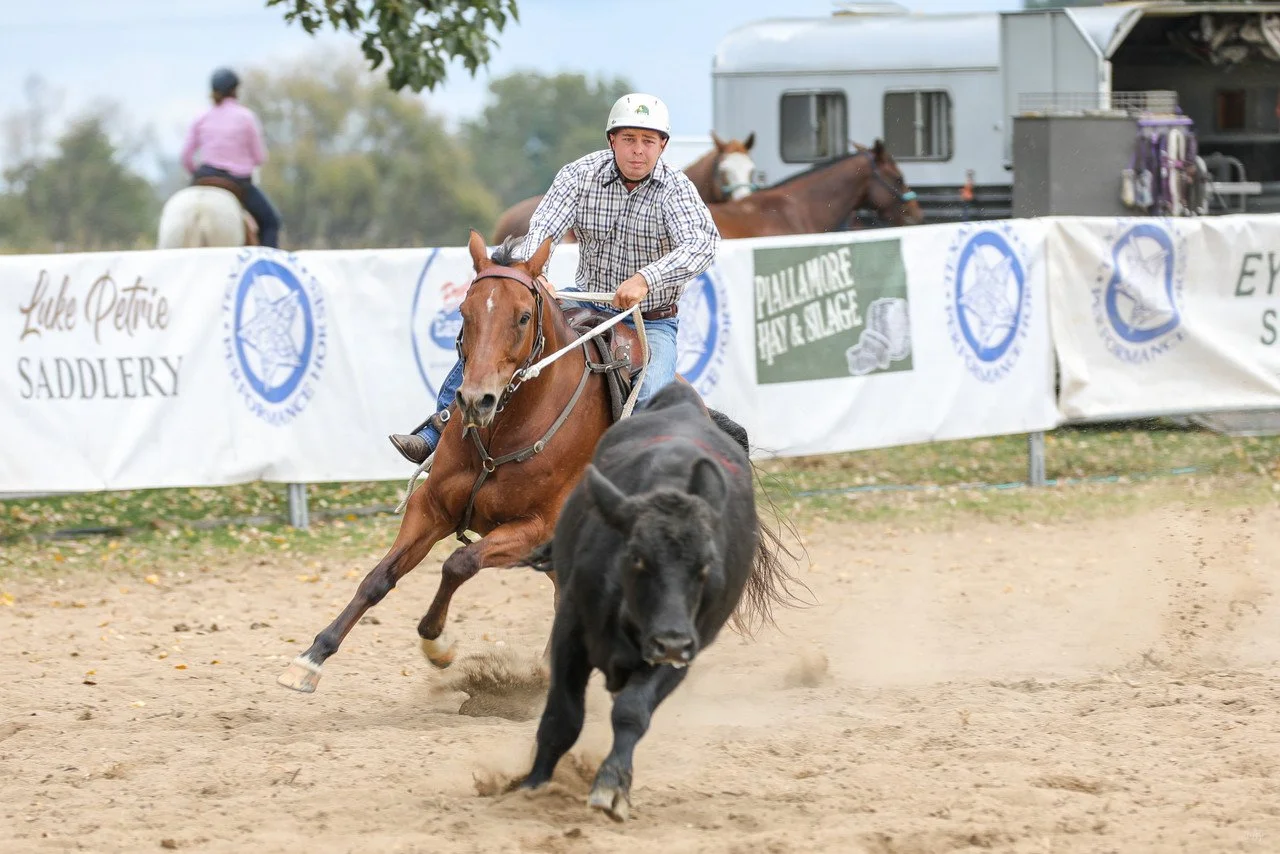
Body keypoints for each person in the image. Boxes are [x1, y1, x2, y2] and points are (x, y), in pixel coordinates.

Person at [388, 92, 720, 465]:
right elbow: (543, 228)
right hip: (585, 301)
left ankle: (629, 484)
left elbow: (702, 243)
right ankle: (437, 431)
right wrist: (535, 272)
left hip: (651, 321)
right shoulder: (580, 175)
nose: (638, 151)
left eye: (648, 141)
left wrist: (646, 279)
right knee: (496, 334)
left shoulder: (676, 190)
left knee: (650, 399)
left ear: (663, 145)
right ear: (612, 140)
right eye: (628, 139)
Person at [180, 67, 281, 248]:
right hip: (236, 183)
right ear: (235, 90)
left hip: (204, 177)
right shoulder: (246, 117)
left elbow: (186, 157)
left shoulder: (201, 117)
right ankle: (266, 271)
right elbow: (259, 157)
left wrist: (196, 172)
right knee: (271, 222)